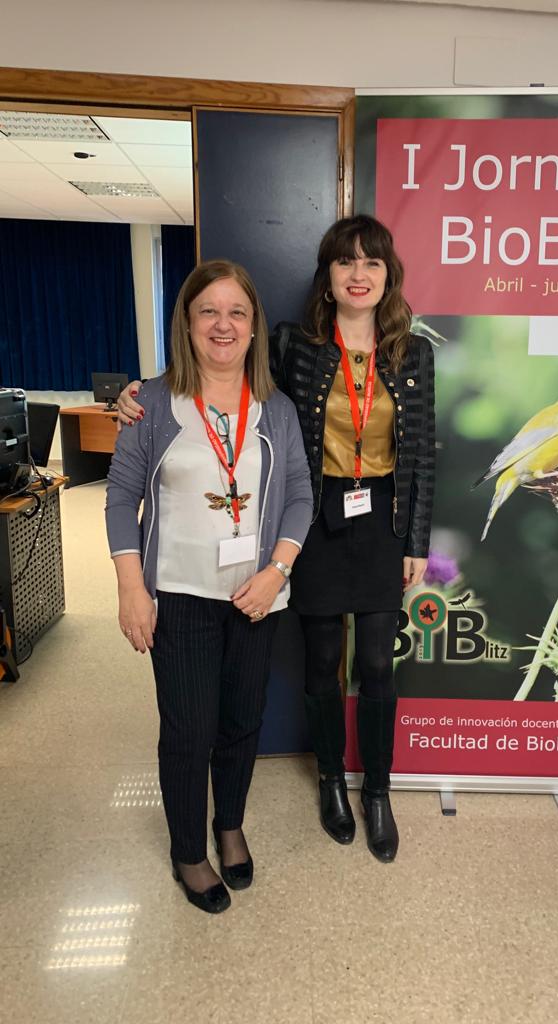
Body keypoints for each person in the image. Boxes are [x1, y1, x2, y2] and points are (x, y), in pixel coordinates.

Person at [117, 215, 436, 864]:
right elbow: (216, 368)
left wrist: (418, 540)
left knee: (376, 663)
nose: (358, 274)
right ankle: (328, 787)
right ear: (327, 276)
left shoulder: (413, 351)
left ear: (387, 275)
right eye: (345, 263)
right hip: (312, 522)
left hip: (374, 521)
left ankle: (375, 790)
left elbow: (424, 451)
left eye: (371, 263)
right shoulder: (296, 343)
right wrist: (137, 395)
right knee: (318, 665)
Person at [105, 260, 312, 913]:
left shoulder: (275, 410)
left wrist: (276, 570)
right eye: (208, 312)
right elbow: (119, 502)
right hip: (179, 597)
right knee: (188, 731)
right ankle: (188, 852)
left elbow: (300, 497)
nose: (223, 324)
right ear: (188, 324)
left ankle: (229, 825)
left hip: (255, 599)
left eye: (237, 313)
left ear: (253, 329)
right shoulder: (153, 405)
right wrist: (130, 589)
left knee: (241, 722)